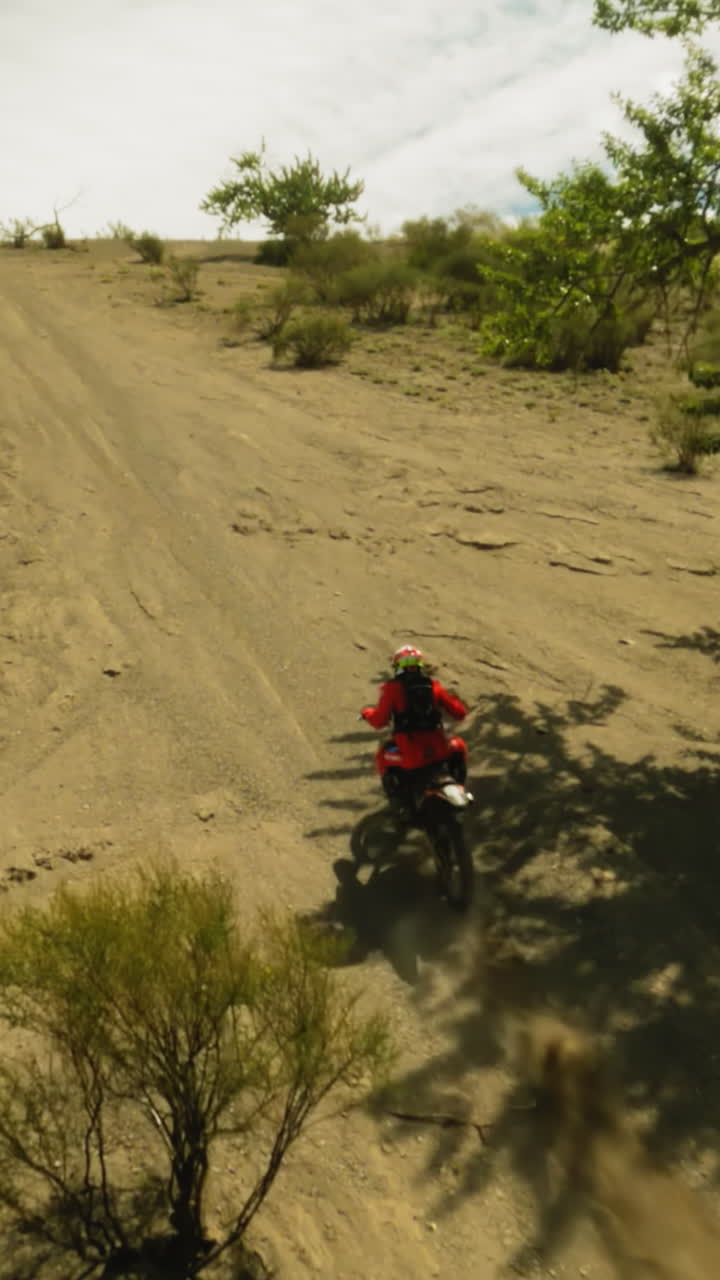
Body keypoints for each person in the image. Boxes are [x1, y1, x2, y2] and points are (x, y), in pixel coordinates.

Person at [360, 644, 468, 817]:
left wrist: (367, 713)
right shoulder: (434, 686)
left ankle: (402, 807)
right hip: (440, 750)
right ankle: (460, 785)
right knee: (459, 745)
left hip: (411, 754)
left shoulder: (391, 689)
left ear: (398, 667)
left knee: (382, 756)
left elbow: (379, 721)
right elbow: (460, 713)